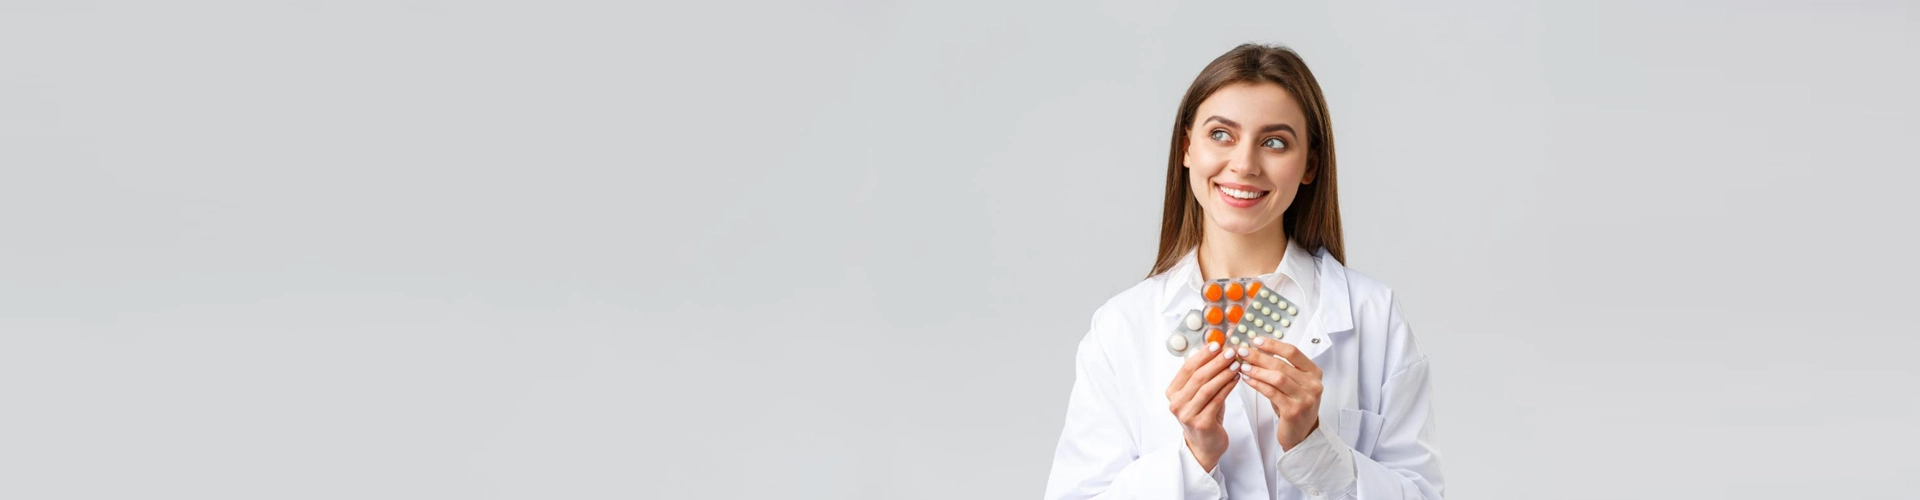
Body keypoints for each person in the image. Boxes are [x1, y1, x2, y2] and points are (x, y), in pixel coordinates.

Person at [1044, 44, 1444, 499]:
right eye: (1221, 135)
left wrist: (1314, 445)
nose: (1245, 165)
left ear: (1310, 164)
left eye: (1275, 142)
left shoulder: (1373, 313)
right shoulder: (1123, 326)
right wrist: (1193, 457)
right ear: (1186, 147)